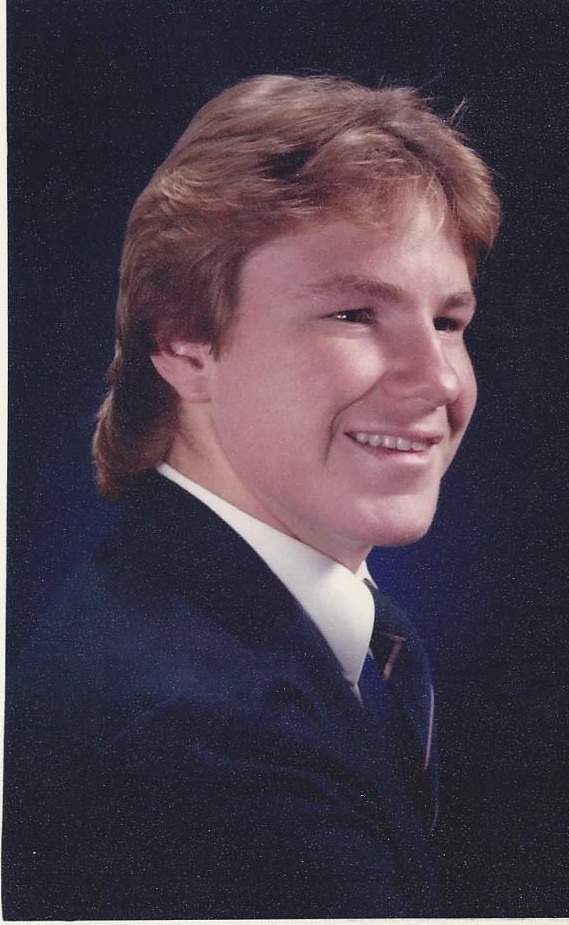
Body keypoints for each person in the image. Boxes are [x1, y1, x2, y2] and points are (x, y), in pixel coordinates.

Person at [3, 74, 500, 919]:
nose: (438, 380)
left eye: (449, 322)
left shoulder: (294, 633)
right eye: (354, 313)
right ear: (183, 341)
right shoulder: (200, 745)